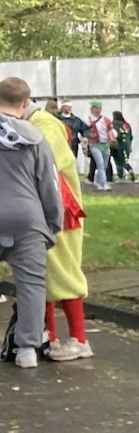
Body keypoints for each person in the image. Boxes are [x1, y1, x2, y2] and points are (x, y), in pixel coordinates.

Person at [0, 78, 60, 370]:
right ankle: (27, 350)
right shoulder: (36, 137)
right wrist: (53, 224)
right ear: (26, 103)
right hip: (27, 218)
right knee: (31, 284)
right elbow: (49, 183)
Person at [26, 97, 89, 361]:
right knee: (44, 270)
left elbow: (48, 164)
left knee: (63, 269)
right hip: (49, 205)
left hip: (60, 208)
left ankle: (79, 339)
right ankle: (48, 335)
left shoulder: (43, 124)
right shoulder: (36, 123)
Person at [83, 101, 114, 191]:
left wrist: (111, 140)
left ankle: (98, 181)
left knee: (104, 165)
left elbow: (110, 131)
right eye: (96, 108)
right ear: (91, 109)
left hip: (105, 145)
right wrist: (85, 146)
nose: (98, 110)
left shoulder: (106, 120)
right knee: (100, 164)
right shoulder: (88, 120)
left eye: (99, 108)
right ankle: (104, 184)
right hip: (95, 144)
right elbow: (85, 133)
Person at [111, 110, 135, 182]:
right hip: (127, 145)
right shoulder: (127, 125)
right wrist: (129, 145)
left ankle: (121, 176)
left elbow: (115, 134)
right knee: (125, 160)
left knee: (118, 161)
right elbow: (131, 136)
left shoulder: (114, 124)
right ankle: (130, 170)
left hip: (119, 145)